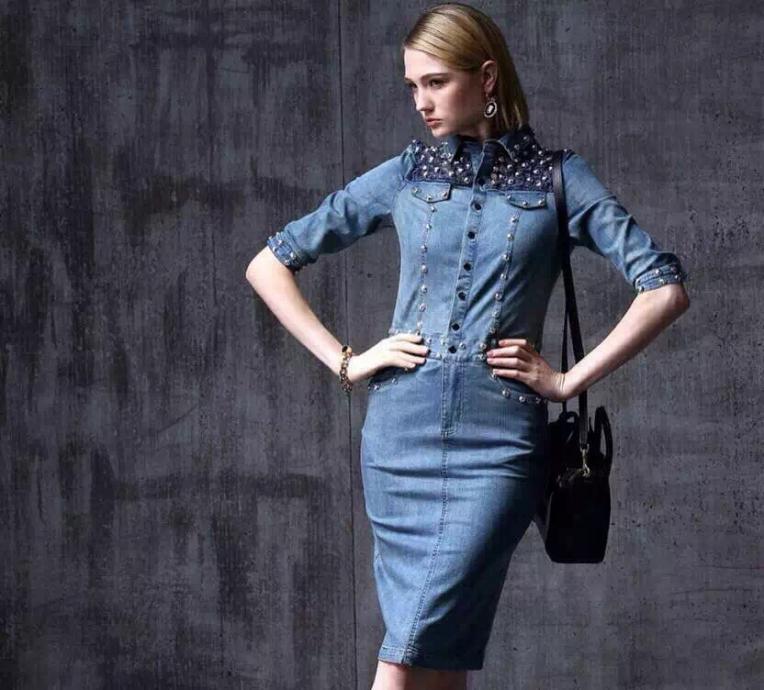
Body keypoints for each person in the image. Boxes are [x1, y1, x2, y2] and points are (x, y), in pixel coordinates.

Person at [246, 3, 690, 689]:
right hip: (398, 444)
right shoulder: (407, 173)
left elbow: (663, 288)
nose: (420, 102)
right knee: (439, 664)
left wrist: (567, 381)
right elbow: (269, 263)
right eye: (412, 86)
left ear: (486, 78)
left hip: (500, 448)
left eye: (436, 82)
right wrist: (348, 361)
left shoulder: (559, 178)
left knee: (410, 648)